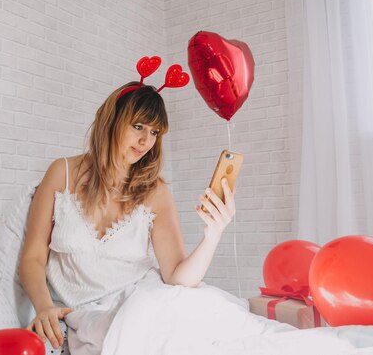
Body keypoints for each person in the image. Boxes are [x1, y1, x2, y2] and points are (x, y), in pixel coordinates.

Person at [18, 63, 243, 355]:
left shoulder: (156, 192)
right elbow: (33, 257)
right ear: (111, 120)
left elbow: (177, 275)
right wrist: (44, 306)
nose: (145, 141)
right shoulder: (62, 173)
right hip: (86, 314)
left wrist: (213, 234)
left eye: (154, 132)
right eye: (138, 126)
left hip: (142, 299)